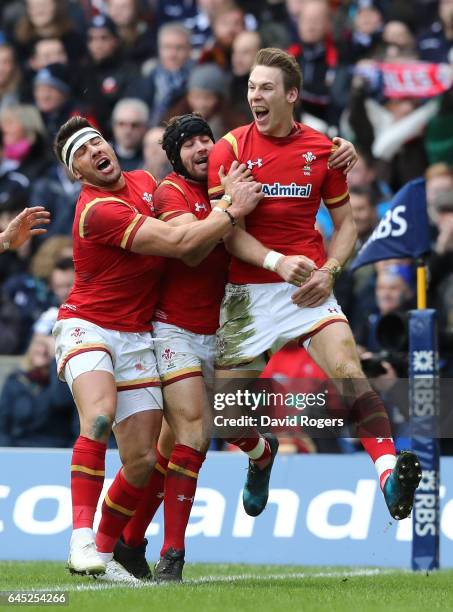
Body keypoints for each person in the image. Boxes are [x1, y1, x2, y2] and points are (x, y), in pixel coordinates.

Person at [113, 112, 357, 582]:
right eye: (189, 144)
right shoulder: (173, 193)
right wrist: (232, 210)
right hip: (178, 329)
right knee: (188, 439)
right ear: (175, 157)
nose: (201, 148)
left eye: (206, 138)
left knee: (192, 436)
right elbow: (192, 250)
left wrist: (340, 151)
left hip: (228, 323)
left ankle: (134, 541)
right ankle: (161, 551)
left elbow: (295, 159)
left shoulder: (237, 177)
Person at [207, 48, 421, 524]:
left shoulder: (324, 150)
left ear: (291, 95)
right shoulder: (232, 149)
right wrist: (276, 262)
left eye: (265, 88)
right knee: (222, 416)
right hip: (248, 291)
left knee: (348, 369)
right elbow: (225, 230)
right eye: (250, 88)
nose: (255, 96)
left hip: (310, 287)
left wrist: (332, 271)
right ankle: (261, 455)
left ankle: (388, 475)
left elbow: (347, 226)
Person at [51, 115, 264, 581]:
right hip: (88, 325)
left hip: (137, 336)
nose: (94, 151)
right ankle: (81, 536)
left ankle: (104, 556)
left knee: (144, 461)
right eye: (81, 153)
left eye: (96, 142)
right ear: (77, 173)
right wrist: (231, 210)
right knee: (100, 415)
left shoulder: (147, 183)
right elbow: (178, 242)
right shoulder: (96, 210)